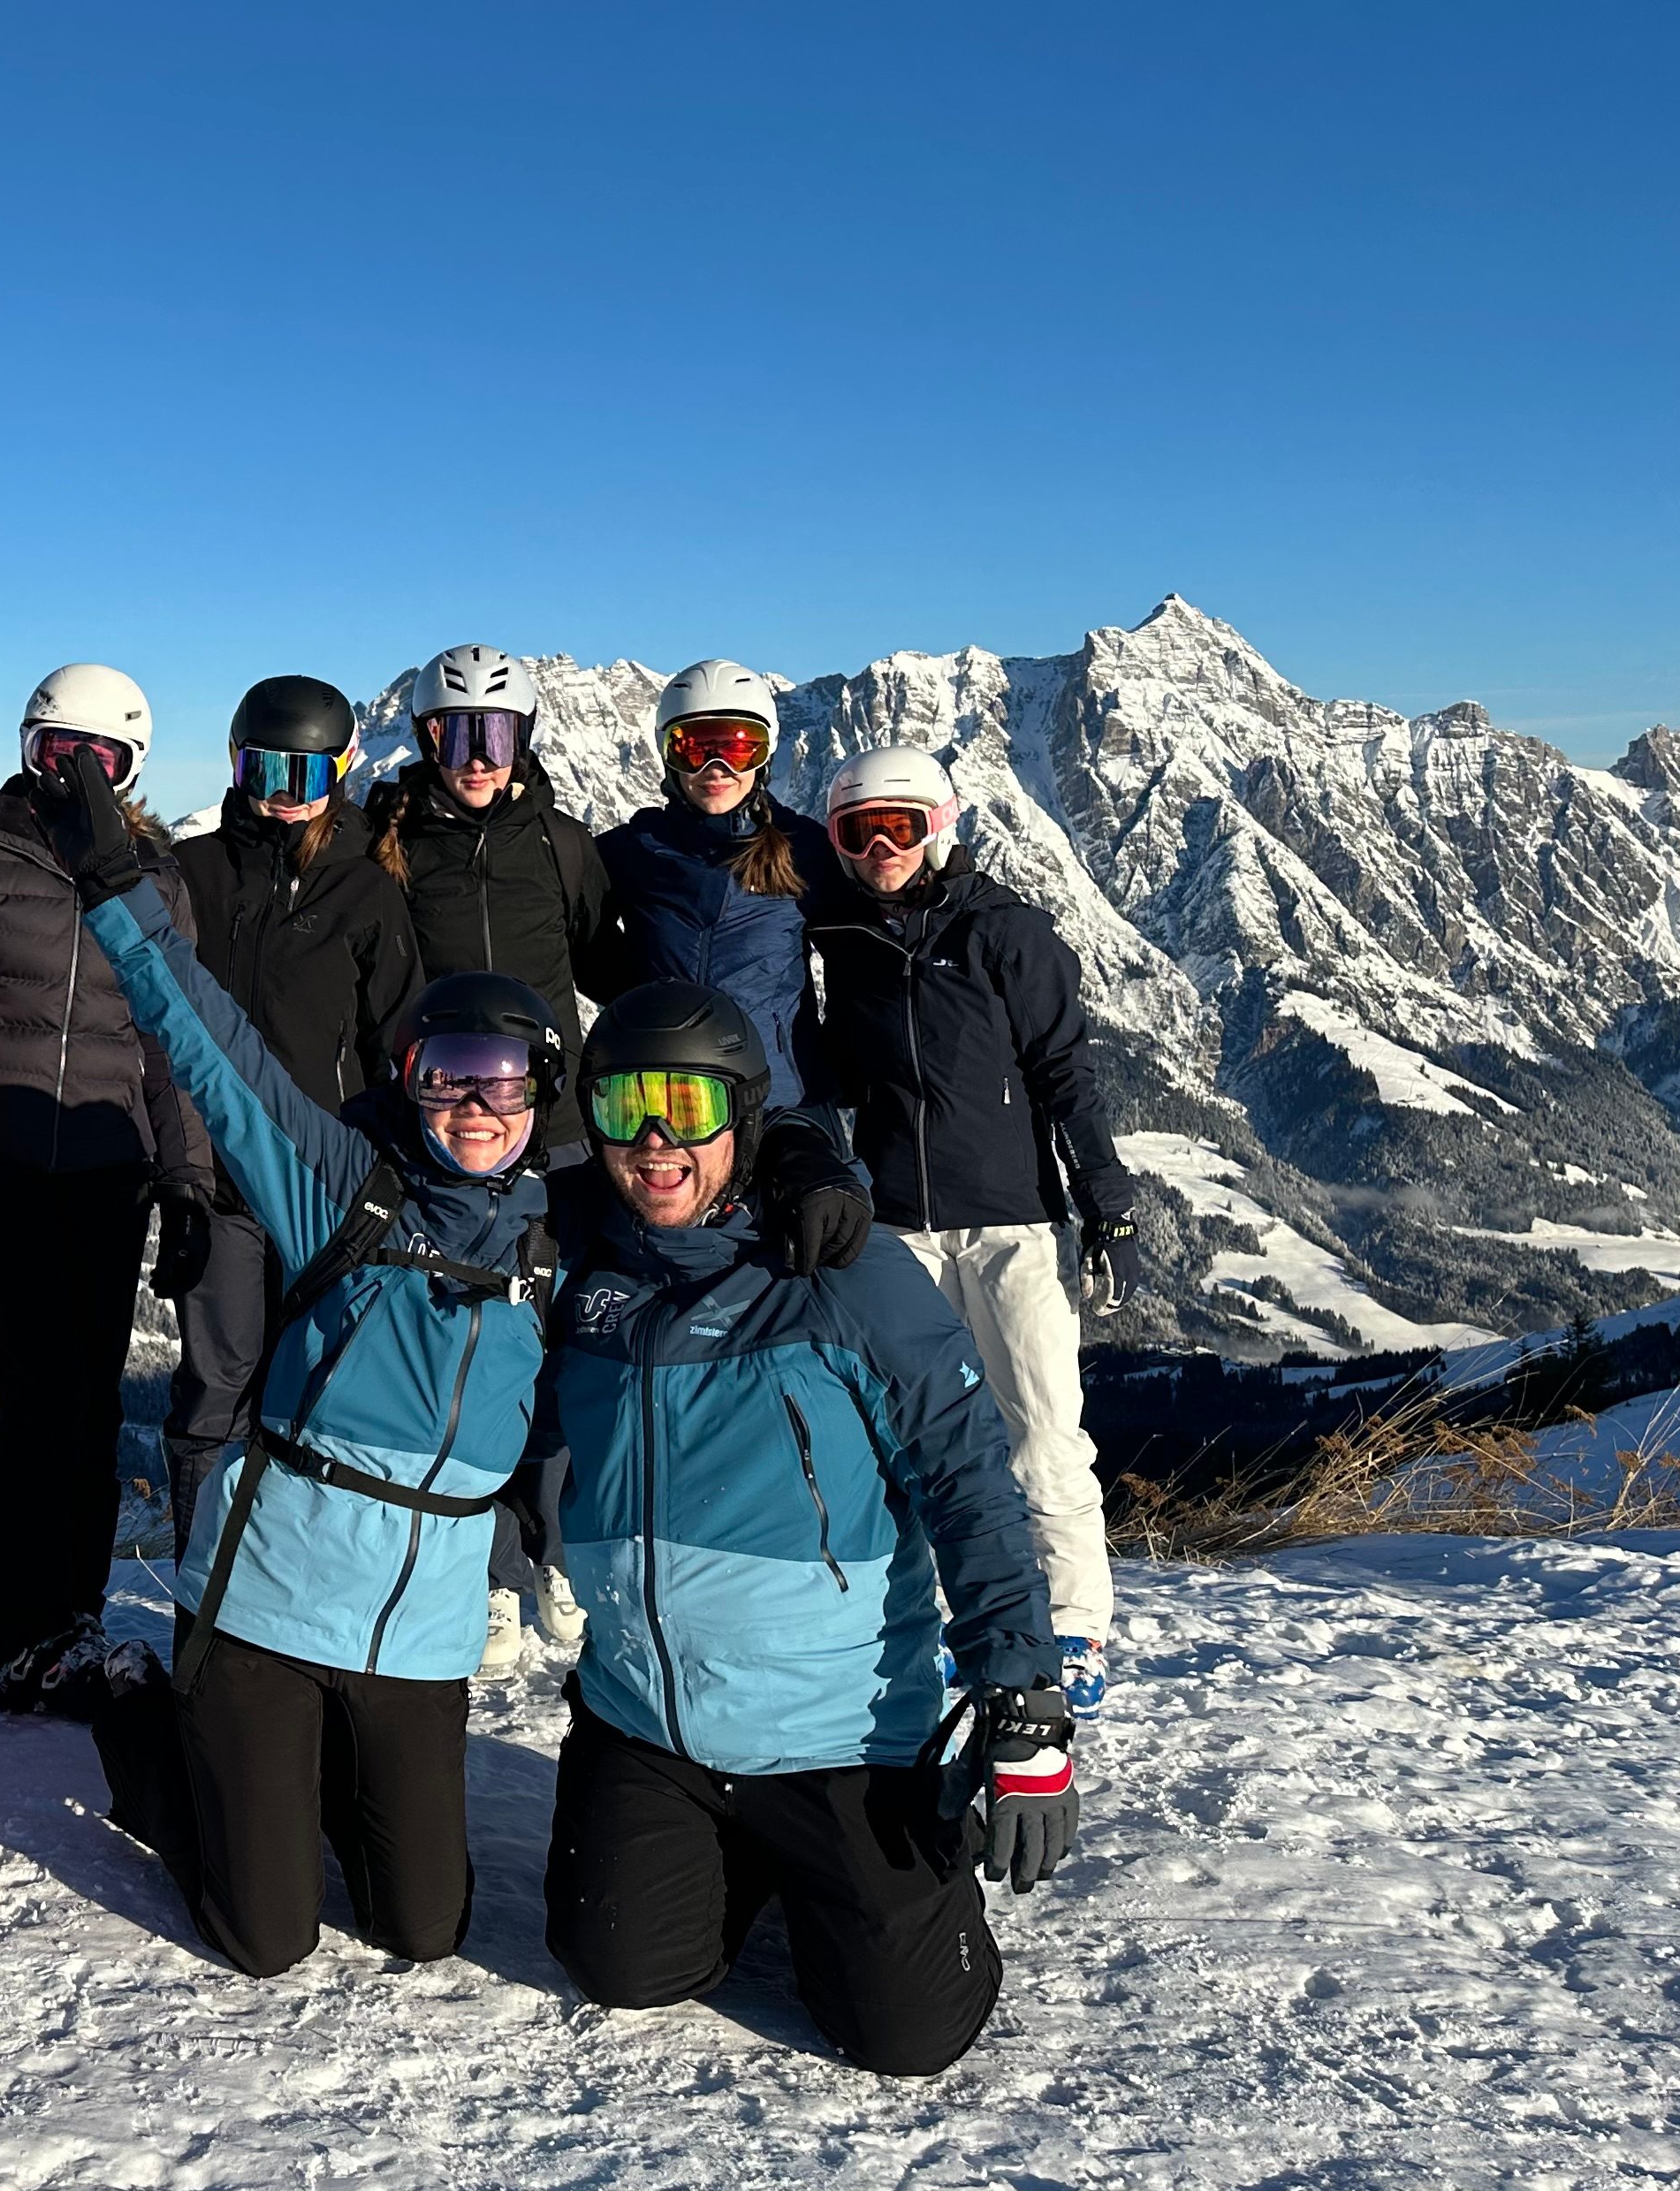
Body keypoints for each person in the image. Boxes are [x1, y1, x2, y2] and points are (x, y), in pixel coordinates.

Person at [37, 748, 557, 1978]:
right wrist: (116, 885)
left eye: (503, 1084)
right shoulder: (345, 1192)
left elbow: (701, 1166)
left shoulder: (559, 1242)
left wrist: (811, 1159)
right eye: (447, 1078)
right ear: (407, 1081)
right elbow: (212, 1046)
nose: (475, 1109)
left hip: (418, 1636)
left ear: (542, 1095)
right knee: (263, 1935)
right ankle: (146, 1725)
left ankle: (294, 1776)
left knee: (421, 1929)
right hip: (269, 1603)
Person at [538, 980, 1077, 2075]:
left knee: (907, 2037)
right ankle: (737, 1852)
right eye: (624, 1107)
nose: (654, 1141)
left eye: (687, 1108)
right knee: (625, 1969)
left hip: (841, 1736)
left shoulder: (843, 1272)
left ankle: (886, 1866)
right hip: (650, 1726)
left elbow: (968, 1479)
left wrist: (1022, 1693)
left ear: (740, 1116)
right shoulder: (583, 1261)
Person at [0, 664, 219, 1714]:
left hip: (111, 1176)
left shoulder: (153, 881)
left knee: (96, 1409)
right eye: (59, 753)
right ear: (29, 751)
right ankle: (17, 1641)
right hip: (3, 1169)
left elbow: (171, 1045)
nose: (78, 775)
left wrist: (187, 1182)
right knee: (40, 1408)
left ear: (131, 768)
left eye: (101, 758)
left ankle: (73, 1620)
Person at [810, 745, 1138, 1718]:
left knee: (1041, 1431)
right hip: (896, 1228)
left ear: (940, 827)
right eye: (859, 832)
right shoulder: (839, 934)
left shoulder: (1004, 930)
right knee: (912, 1438)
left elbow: (1065, 1070)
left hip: (1011, 1223)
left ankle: (1071, 1624)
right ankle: (939, 1617)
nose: (881, 848)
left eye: (900, 827)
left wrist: (1106, 1202)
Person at [366, 642, 609, 1670]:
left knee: (561, 1352)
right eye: (456, 732)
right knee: (470, 1355)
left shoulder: (560, 845)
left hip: (557, 1135)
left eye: (497, 733)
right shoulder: (390, 843)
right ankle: (494, 1567)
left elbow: (608, 959)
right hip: (452, 1136)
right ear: (426, 737)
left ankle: (553, 1550)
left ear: (525, 740)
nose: (477, 754)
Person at [162, 673, 422, 1554]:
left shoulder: (364, 892)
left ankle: (307, 1578)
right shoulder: (192, 875)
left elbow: (397, 1045)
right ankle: (207, 1584)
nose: (281, 796)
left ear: (339, 773)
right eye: (262, 771)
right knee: (217, 1385)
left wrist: (385, 1172)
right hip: (220, 1179)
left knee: (324, 1383)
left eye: (304, 776)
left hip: (325, 1186)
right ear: (234, 765)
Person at [584, 658, 840, 1116]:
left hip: (782, 1100)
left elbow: (858, 957)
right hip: (669, 1095)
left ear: (765, 756)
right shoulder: (633, 850)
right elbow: (580, 936)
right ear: (668, 756)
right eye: (694, 749)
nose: (716, 769)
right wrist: (644, 1005)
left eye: (739, 749)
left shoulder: (804, 850)